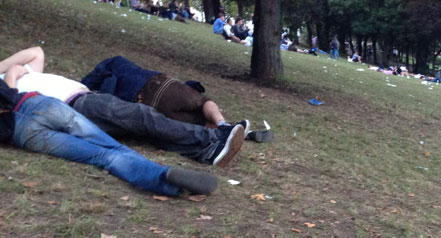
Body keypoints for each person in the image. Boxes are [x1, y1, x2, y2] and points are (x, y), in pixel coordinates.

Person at [0, 47, 247, 167]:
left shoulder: (19, 75)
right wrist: (10, 78)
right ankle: (213, 137)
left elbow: (36, 52)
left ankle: (206, 152)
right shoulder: (8, 85)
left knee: (142, 128)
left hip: (79, 102)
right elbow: (11, 113)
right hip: (72, 104)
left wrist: (5, 69)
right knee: (141, 116)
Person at [0, 78, 216, 196]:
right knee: (113, 147)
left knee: (102, 156)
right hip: (38, 104)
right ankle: (164, 174)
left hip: (23, 132)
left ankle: (164, 181)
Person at [81, 55, 270, 142]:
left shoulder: (114, 63)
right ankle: (225, 127)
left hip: (144, 99)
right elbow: (206, 103)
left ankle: (227, 130)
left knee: (175, 128)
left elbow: (90, 85)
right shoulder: (117, 63)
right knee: (200, 113)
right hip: (160, 86)